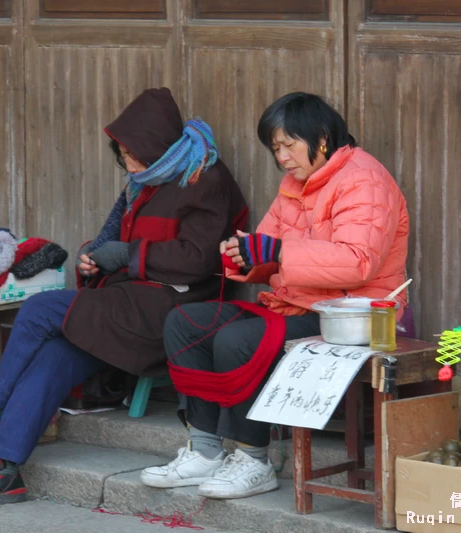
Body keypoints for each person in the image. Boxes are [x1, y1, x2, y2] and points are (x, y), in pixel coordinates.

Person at [0, 87, 248, 511]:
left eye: (133, 153)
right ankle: (3, 470)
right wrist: (96, 258)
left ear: (155, 145)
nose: (128, 162)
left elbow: (198, 259)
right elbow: (115, 240)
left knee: (41, 309)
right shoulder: (144, 182)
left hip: (174, 311)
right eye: (123, 153)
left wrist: (128, 257)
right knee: (53, 356)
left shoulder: (204, 177)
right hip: (126, 304)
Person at [140, 92, 409, 499]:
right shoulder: (295, 185)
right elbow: (268, 248)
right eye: (275, 148)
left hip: (354, 317)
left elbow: (358, 263)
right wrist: (244, 256)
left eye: (288, 145)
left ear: (320, 138)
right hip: (295, 305)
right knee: (186, 322)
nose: (282, 157)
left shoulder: (364, 179)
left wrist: (278, 253)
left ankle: (253, 459)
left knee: (239, 339)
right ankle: (205, 450)